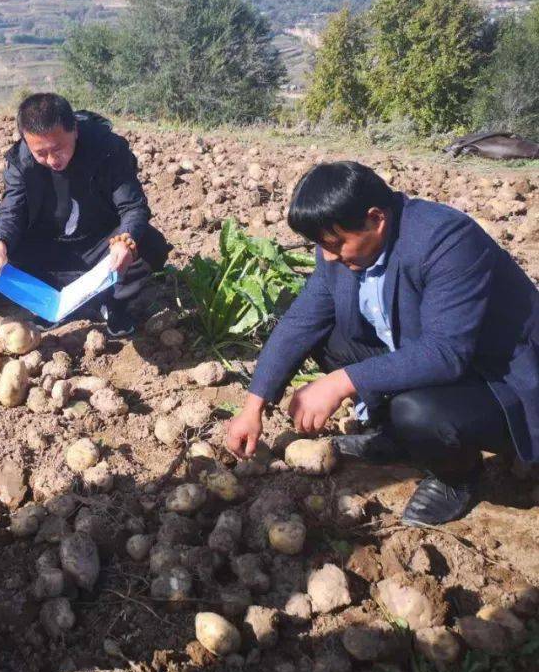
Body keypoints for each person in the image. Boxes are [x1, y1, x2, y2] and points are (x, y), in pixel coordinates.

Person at [225, 161, 539, 526]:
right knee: (328, 339)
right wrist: (253, 405)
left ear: (376, 219)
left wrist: (342, 381)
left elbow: (446, 353)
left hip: (501, 380)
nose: (327, 256)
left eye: (335, 243)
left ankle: (456, 477)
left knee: (417, 411)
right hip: (430, 354)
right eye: (322, 245)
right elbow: (301, 322)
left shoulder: (446, 240)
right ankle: (395, 436)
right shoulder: (340, 250)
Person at [0, 93, 170, 337]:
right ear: (27, 142)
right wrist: (0, 241)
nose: (51, 160)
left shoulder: (107, 150)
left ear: (75, 131)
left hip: (101, 242)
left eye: (58, 149)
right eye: (41, 153)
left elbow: (133, 207)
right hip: (50, 245)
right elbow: (12, 210)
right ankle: (51, 305)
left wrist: (124, 240)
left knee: (146, 245)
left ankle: (112, 303)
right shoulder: (21, 161)